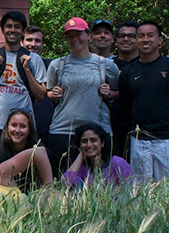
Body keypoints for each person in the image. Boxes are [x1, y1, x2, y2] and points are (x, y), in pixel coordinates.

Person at [45, 17, 120, 179]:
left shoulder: (105, 64)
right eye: (70, 36)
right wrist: (54, 94)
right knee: (63, 180)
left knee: (98, 181)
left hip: (97, 130)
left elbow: (117, 93)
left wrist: (108, 92)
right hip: (63, 130)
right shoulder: (57, 65)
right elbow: (48, 92)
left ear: (89, 35)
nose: (75, 39)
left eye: (78, 34)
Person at [119, 21, 169, 183]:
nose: (145, 39)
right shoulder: (128, 72)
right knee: (140, 190)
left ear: (160, 40)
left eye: (150, 35)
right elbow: (124, 107)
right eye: (141, 36)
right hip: (139, 140)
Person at [0, 11, 47, 147]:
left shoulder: (34, 59)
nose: (12, 30)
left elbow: (41, 95)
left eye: (17, 26)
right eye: (9, 26)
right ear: (2, 29)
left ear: (23, 31)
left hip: (22, 125)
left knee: (24, 160)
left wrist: (27, 70)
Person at [0, 109, 46, 192]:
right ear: (7, 127)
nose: (17, 130)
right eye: (13, 125)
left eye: (23, 126)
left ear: (30, 130)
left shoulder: (39, 150)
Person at [62, 123, 133, 188]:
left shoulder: (117, 163)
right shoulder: (83, 166)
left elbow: (131, 188)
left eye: (93, 140)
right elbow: (66, 183)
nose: (89, 145)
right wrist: (80, 157)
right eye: (84, 141)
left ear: (102, 143)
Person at [109, 20, 140, 160]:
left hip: (138, 125)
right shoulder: (108, 65)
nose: (126, 39)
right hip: (111, 124)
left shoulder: (145, 65)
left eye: (131, 36)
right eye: (122, 36)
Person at [23, 25, 54, 139]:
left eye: (37, 40)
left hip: (43, 126)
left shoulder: (51, 66)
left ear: (42, 44)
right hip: (18, 124)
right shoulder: (11, 66)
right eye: (29, 40)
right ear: (22, 42)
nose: (33, 44)